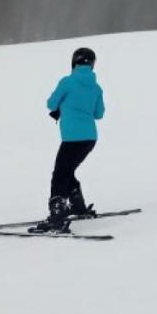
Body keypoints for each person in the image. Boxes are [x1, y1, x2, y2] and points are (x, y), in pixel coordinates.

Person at [32, 46, 106, 233]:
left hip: (72, 138)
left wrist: (65, 105)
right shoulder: (96, 87)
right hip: (90, 138)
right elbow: (99, 114)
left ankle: (57, 216)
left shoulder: (67, 82)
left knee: (60, 174)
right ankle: (77, 205)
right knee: (67, 170)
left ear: (74, 62)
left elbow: (51, 103)